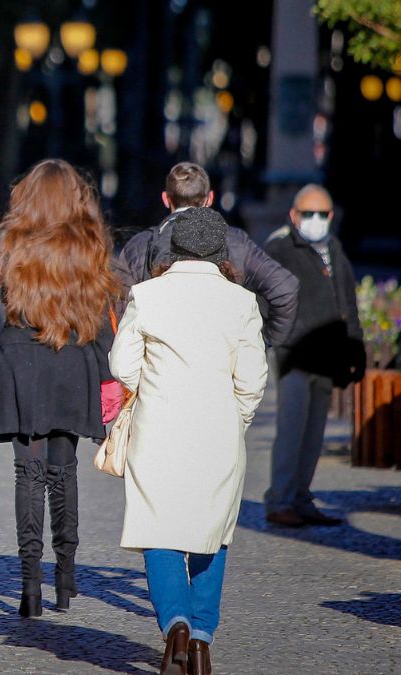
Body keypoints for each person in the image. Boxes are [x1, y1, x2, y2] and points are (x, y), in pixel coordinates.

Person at [109, 206, 268, 675]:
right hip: (218, 434)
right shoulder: (241, 302)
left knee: (159, 533)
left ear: (172, 249)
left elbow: (121, 366)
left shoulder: (146, 294)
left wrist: (148, 388)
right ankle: (200, 638)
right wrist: (235, 420)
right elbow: (253, 379)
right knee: (212, 536)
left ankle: (174, 624)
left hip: (157, 430)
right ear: (222, 252)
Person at [0, 159, 123, 618]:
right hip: (73, 362)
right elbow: (101, 318)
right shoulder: (90, 244)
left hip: (20, 362)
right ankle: (66, 578)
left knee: (28, 473)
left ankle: (29, 585)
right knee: (64, 469)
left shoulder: (7, 241)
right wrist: (106, 378)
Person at [262, 184, 365, 528]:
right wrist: (279, 338)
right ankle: (280, 500)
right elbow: (265, 299)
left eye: (323, 214)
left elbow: (346, 300)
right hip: (294, 356)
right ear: (294, 215)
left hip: (327, 356)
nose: (316, 220)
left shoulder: (333, 247)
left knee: (314, 434)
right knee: (291, 431)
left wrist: (355, 346)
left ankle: (301, 498)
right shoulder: (280, 247)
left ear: (331, 216)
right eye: (309, 214)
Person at [117, 162, 298, 347]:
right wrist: (262, 343)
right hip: (223, 362)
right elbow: (285, 288)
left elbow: (120, 310)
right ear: (210, 198)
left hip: (159, 365)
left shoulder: (139, 246)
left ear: (165, 198)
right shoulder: (235, 241)